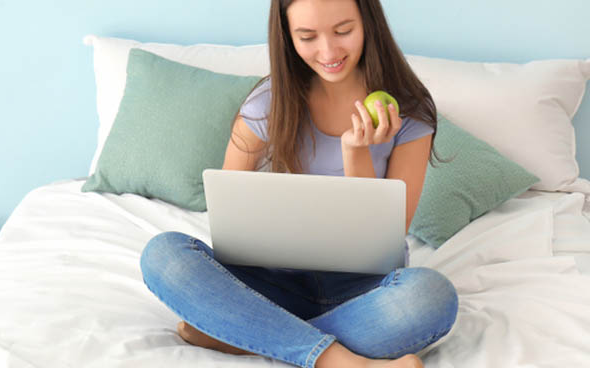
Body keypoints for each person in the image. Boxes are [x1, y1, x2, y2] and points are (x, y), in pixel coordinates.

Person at [140, 0, 457, 367]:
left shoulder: (409, 110)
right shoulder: (267, 103)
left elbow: (386, 234)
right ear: (288, 38)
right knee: (163, 254)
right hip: (270, 282)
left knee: (431, 297)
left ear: (369, 24)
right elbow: (227, 210)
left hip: (360, 291)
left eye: (343, 31)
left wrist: (355, 153)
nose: (328, 51)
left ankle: (245, 334)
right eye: (307, 37)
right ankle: (338, 360)